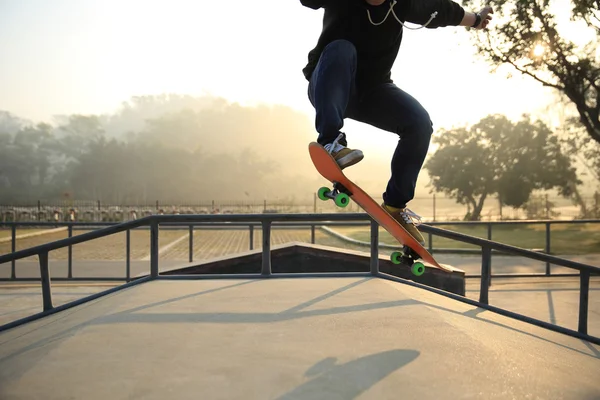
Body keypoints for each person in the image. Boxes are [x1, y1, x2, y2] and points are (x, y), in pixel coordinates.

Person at [301, 0, 493, 245]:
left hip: (373, 92)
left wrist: (476, 19)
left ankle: (395, 205)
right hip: (329, 85)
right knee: (341, 48)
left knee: (419, 124)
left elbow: (440, 11)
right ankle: (330, 142)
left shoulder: (403, 4)